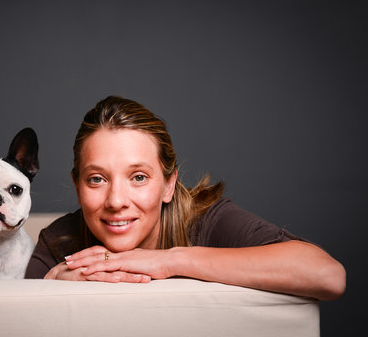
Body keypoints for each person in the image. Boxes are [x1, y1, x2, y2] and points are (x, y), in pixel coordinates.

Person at [25, 96, 346, 301]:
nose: (116, 200)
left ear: (169, 184)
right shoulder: (60, 241)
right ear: (78, 185)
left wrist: (168, 260)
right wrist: (55, 291)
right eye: (97, 179)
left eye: (138, 177)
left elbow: (327, 275)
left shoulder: (208, 220)